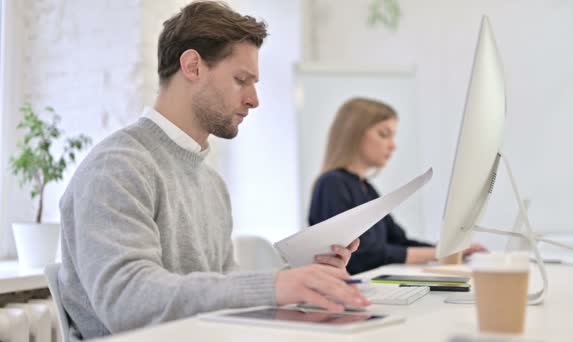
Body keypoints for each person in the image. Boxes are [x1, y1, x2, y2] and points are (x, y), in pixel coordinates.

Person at [57, 2, 368, 340]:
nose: (254, 99)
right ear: (192, 66)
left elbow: (222, 298)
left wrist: (307, 279)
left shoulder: (211, 183)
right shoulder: (117, 167)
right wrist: (275, 286)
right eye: (241, 80)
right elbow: (129, 303)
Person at [308, 97, 486, 275]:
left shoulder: (367, 188)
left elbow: (398, 241)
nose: (393, 146)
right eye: (384, 134)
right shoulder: (332, 184)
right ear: (353, 133)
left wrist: (447, 249)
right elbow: (363, 255)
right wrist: (439, 253)